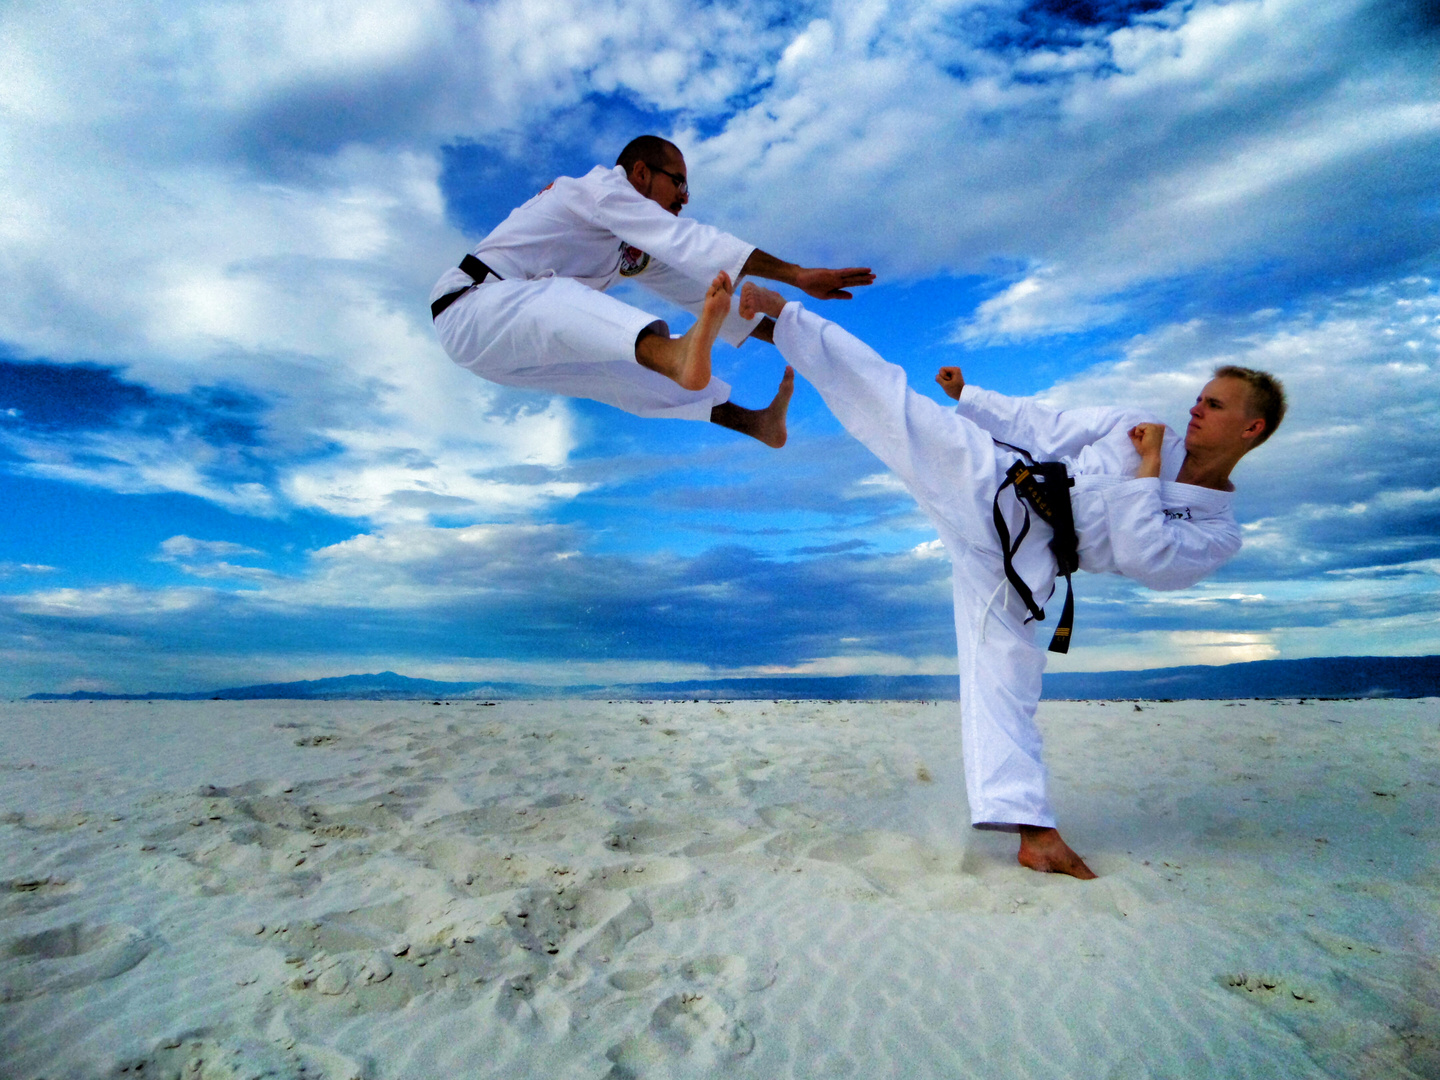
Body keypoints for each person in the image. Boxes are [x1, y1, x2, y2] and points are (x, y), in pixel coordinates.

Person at [738, 282, 1286, 879]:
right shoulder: (1141, 426)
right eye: (1200, 398)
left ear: (1251, 429)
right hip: (1003, 490)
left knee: (1006, 677)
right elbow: (1048, 425)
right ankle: (784, 324)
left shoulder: (1218, 529)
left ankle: (1033, 832)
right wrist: (970, 396)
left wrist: (1148, 470)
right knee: (903, 413)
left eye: (1215, 405)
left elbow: (1147, 559)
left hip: (1030, 563)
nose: (1195, 409)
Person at [430, 135, 874, 447]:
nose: (684, 198)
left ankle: (756, 423)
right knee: (560, 299)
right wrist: (796, 274)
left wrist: (789, 337)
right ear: (640, 173)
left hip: (506, 352)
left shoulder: (630, 245)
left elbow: (695, 286)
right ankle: (675, 355)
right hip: (468, 306)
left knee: (627, 375)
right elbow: (687, 240)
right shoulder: (600, 189)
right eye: (677, 182)